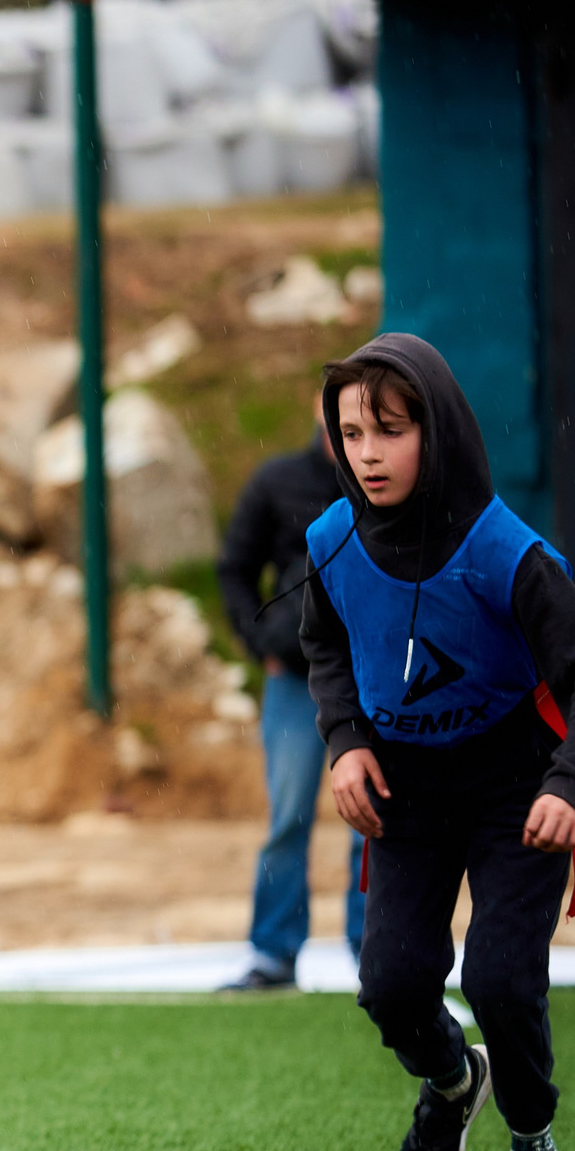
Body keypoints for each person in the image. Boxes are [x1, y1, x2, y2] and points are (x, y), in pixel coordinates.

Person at [302, 334, 575, 1151]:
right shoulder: (330, 540)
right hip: (405, 793)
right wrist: (344, 741)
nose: (367, 453)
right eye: (352, 431)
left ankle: (535, 1148)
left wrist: (572, 782)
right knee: (393, 985)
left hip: (518, 788)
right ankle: (452, 1078)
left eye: (391, 431)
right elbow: (323, 642)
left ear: (435, 433)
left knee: (502, 979)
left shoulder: (502, 551)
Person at [216, 396, 366, 991]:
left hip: (373, 682)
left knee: (375, 822)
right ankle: (274, 952)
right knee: (289, 816)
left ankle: (379, 954)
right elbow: (233, 568)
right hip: (297, 681)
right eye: (345, 418)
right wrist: (265, 643)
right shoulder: (277, 481)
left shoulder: (393, 484)